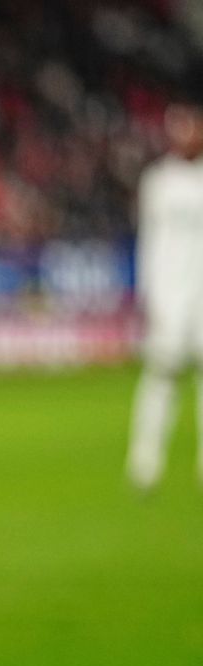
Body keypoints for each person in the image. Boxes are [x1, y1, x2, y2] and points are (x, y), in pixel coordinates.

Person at [128, 100, 203, 492]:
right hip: (170, 291)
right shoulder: (158, 181)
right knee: (162, 373)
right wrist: (148, 294)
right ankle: (145, 459)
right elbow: (148, 241)